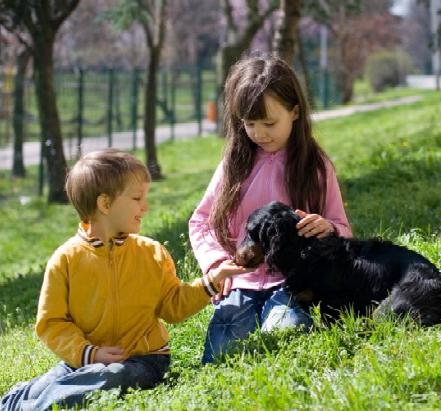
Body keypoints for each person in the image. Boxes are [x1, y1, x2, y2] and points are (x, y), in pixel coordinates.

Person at [0, 149, 248, 411]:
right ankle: (19, 400)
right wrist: (90, 354)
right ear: (105, 204)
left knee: (109, 376)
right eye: (137, 198)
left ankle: (33, 406)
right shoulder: (65, 260)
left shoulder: (151, 253)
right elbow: (52, 323)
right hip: (82, 361)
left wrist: (212, 281)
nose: (146, 206)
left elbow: (174, 306)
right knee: (54, 381)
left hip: (142, 361)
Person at [189, 55, 352, 364]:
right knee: (220, 358)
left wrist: (327, 228)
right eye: (249, 124)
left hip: (293, 283)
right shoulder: (234, 166)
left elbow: (341, 227)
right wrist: (216, 265)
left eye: (269, 123)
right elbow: (200, 221)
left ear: (294, 112)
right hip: (239, 283)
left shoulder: (315, 167)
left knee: (284, 338)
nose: (260, 134)